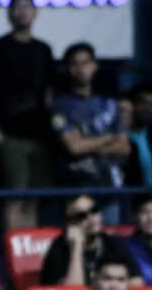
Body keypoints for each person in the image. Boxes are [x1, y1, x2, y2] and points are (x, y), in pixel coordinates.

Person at [0, 0, 56, 231]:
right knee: (15, 195)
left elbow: (49, 94)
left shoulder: (43, 49)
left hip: (40, 135)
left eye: (27, 6)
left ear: (35, 13)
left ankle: (30, 253)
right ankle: (15, 250)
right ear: (9, 13)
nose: (22, 12)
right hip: (10, 134)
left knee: (33, 197)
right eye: (17, 7)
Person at [50, 42, 128, 196]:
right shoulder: (60, 106)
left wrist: (87, 145)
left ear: (94, 66)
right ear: (68, 69)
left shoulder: (109, 104)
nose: (80, 69)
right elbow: (74, 148)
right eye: (74, 64)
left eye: (85, 63)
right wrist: (109, 138)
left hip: (111, 183)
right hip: (77, 185)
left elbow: (124, 147)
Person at [39, 194, 140, 286]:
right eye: (81, 216)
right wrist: (76, 248)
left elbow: (137, 282)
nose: (91, 218)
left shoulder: (114, 242)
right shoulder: (58, 248)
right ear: (70, 224)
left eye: (94, 210)